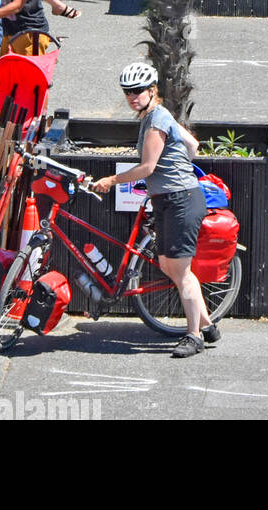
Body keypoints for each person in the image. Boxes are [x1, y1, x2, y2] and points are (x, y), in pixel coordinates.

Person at [91, 64, 220, 358]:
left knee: (181, 271)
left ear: (152, 91)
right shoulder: (159, 116)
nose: (132, 97)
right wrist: (177, 167)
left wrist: (112, 180)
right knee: (169, 266)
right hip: (170, 198)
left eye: (137, 91)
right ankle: (208, 325)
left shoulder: (156, 119)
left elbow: (147, 167)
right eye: (127, 92)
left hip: (180, 199)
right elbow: (193, 144)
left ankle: (194, 336)